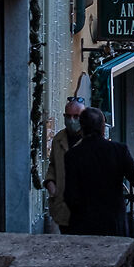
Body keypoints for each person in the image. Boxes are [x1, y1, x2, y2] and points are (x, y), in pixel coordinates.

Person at [62, 107, 134, 238]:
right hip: (113, 223)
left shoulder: (72, 155)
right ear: (103, 127)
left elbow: (70, 195)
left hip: (83, 224)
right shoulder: (118, 150)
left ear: (81, 127)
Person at [44, 97, 83, 229]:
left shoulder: (90, 140)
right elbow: (53, 165)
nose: (72, 120)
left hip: (84, 209)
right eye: (68, 116)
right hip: (62, 207)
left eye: (76, 116)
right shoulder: (58, 139)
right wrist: (50, 184)